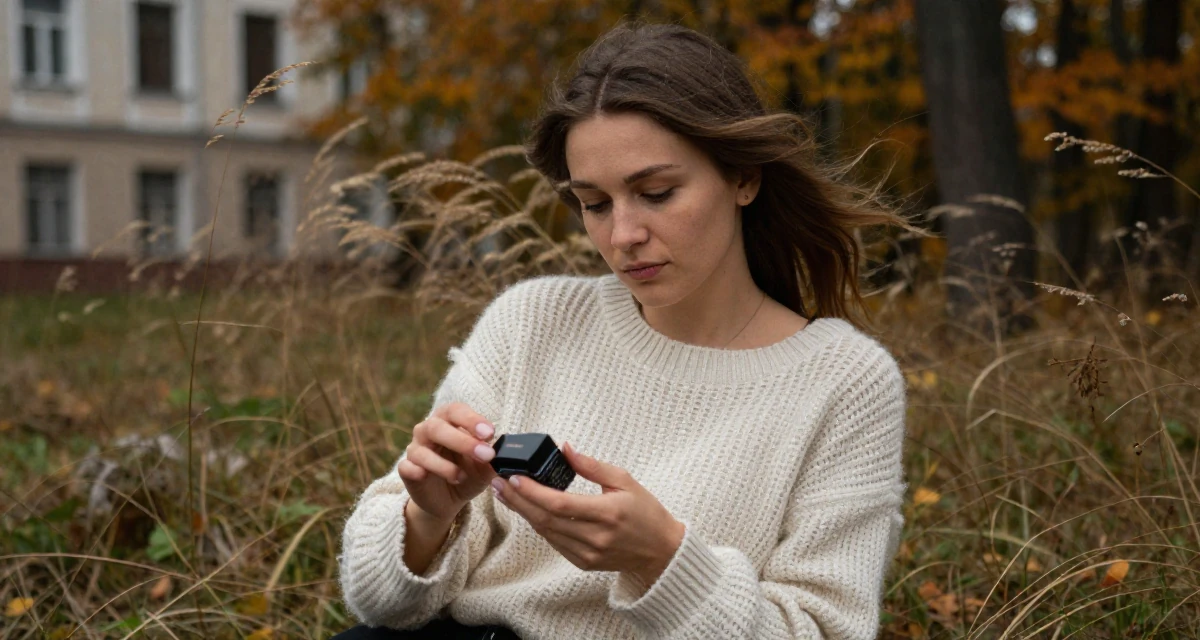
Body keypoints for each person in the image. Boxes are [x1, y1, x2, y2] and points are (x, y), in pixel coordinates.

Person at [334, 19, 913, 640]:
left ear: (744, 177)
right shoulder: (531, 321)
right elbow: (380, 604)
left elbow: (824, 629)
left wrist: (661, 560)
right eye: (595, 204)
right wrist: (427, 518)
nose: (622, 235)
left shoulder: (846, 381)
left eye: (656, 193)